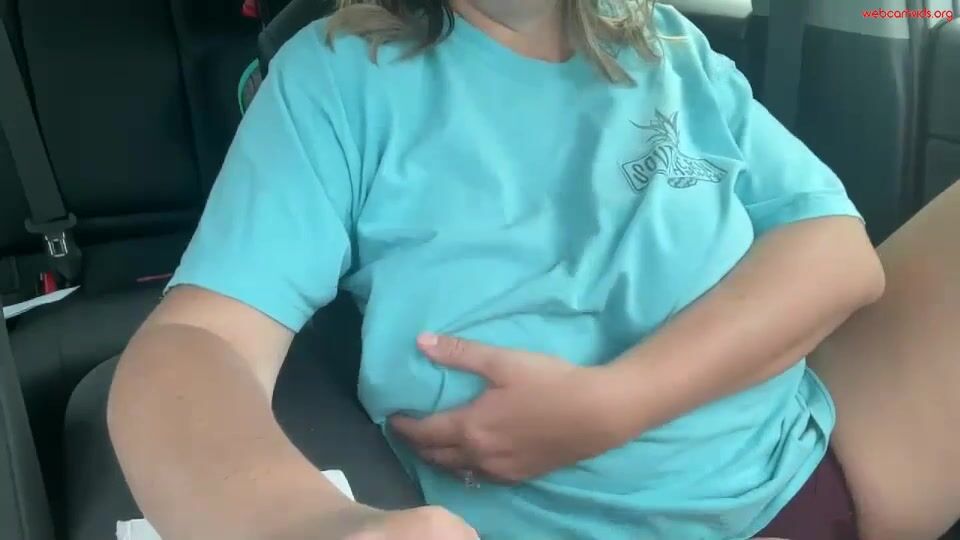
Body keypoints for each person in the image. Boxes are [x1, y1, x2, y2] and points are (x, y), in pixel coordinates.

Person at [104, 0, 957, 539]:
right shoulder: (336, 78)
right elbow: (197, 345)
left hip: (811, 462)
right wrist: (308, 524)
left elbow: (837, 250)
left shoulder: (665, 42)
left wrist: (619, 402)